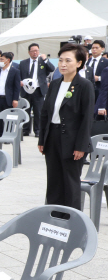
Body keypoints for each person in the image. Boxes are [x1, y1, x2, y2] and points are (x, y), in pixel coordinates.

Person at [38, 43, 94, 210]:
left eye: (68, 60)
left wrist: (81, 146)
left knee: (70, 182)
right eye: (61, 60)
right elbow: (45, 113)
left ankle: (72, 220)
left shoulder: (85, 86)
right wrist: (42, 139)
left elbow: (87, 119)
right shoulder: (55, 84)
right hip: (53, 137)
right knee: (54, 181)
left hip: (73, 141)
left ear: (79, 63)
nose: (63, 64)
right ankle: (53, 217)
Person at [18, 43, 55, 137]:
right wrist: (20, 82)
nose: (35, 52)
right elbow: (19, 75)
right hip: (26, 89)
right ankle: (26, 130)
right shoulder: (23, 63)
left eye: (37, 50)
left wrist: (45, 59)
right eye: (33, 51)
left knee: (38, 111)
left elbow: (52, 69)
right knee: (26, 110)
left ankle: (38, 130)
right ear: (29, 52)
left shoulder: (42, 61)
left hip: (38, 90)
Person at [0, 52, 21, 137]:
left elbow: (16, 87)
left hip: (8, 99)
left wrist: (15, 99)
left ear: (8, 60)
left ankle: (7, 135)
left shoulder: (15, 71)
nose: (0, 61)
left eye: (2, 59)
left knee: (8, 118)